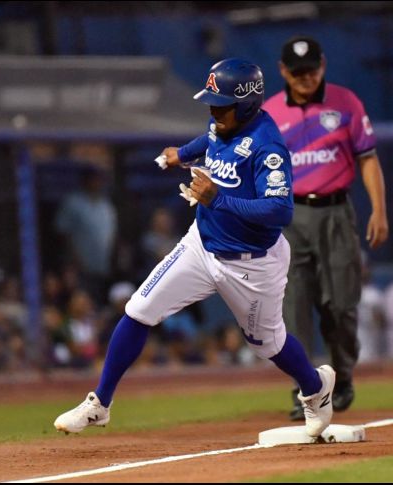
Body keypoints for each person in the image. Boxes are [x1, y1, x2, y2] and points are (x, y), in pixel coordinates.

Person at [53, 58, 336, 438]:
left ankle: (316, 388)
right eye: (212, 104)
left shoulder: (267, 147)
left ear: (246, 105)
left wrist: (218, 199)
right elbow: (210, 140)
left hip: (252, 264)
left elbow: (280, 211)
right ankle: (99, 404)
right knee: (139, 309)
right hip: (201, 245)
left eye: (221, 105)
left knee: (267, 344)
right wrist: (183, 154)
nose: (213, 112)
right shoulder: (222, 122)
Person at [261, 36, 389, 419]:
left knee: (342, 303)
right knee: (293, 305)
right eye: (297, 71)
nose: (306, 77)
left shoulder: (345, 103)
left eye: (311, 69)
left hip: (335, 212)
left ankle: (343, 376)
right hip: (288, 216)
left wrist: (379, 210)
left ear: (323, 65)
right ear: (283, 71)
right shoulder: (268, 114)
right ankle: (306, 388)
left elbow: (368, 158)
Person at [55, 166, 117, 306]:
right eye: (93, 179)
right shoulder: (73, 202)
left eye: (99, 180)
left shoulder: (106, 205)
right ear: (85, 181)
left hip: (102, 265)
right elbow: (63, 233)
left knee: (99, 302)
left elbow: (112, 234)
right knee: (80, 301)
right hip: (79, 266)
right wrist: (74, 259)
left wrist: (111, 258)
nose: (97, 183)